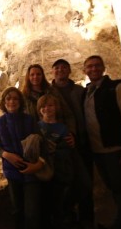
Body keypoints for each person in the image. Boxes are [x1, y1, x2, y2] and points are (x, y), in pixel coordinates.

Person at [83, 55, 121, 229]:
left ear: (103, 68)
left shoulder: (118, 87)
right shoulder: (87, 92)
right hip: (99, 151)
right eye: (89, 67)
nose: (93, 69)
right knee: (116, 190)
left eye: (97, 66)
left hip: (118, 150)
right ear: (84, 71)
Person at [0, 87, 45, 229]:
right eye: (8, 98)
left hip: (31, 171)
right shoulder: (0, 122)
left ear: (21, 102)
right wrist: (6, 155)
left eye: (15, 98)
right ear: (4, 102)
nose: (12, 101)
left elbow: (41, 143)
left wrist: (37, 165)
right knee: (17, 210)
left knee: (32, 212)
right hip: (12, 171)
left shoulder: (29, 120)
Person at [51, 59, 94, 228]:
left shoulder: (80, 91)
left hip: (82, 141)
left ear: (69, 70)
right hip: (59, 144)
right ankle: (66, 216)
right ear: (52, 72)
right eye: (57, 68)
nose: (60, 70)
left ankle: (86, 218)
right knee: (63, 181)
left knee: (85, 181)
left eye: (64, 68)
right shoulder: (48, 91)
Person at [37, 94, 76, 229]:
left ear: (56, 108)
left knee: (58, 204)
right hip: (42, 171)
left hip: (59, 172)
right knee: (44, 204)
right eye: (43, 106)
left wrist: (54, 151)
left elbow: (67, 150)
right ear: (39, 109)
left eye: (50, 106)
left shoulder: (62, 128)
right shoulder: (37, 127)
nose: (47, 109)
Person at [21, 64, 76, 146]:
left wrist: (71, 132)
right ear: (28, 77)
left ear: (42, 75)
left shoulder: (52, 92)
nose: (35, 77)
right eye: (32, 74)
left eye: (38, 74)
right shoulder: (24, 97)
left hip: (56, 135)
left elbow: (67, 113)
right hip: (35, 138)